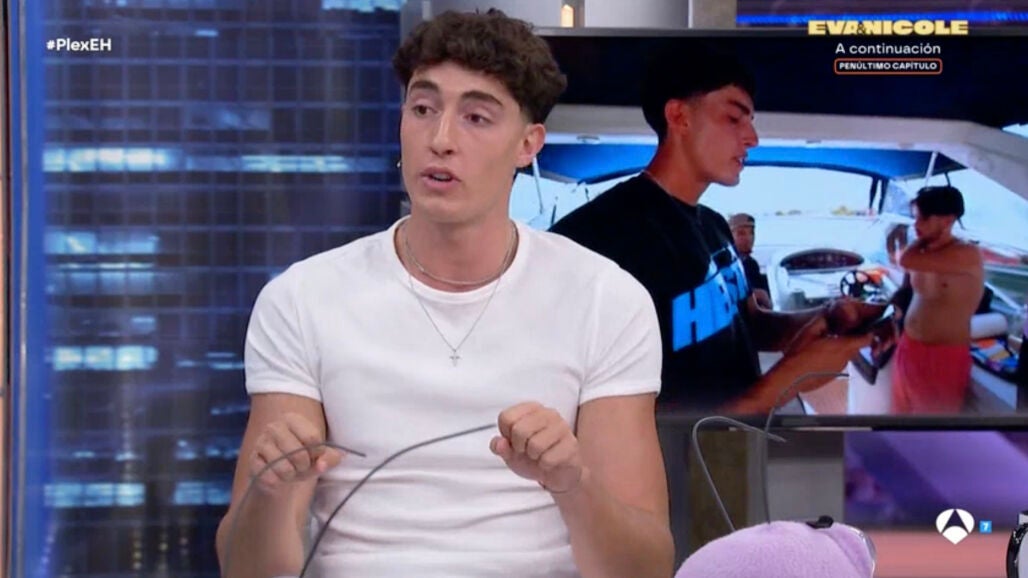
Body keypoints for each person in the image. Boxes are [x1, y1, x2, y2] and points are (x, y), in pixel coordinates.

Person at [215, 9, 674, 578]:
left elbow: (645, 568)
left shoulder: (607, 300)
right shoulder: (302, 299)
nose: (440, 140)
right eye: (423, 109)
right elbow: (247, 570)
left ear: (528, 144)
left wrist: (572, 483)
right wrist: (270, 493)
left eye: (476, 117)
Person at [550, 42, 882, 413]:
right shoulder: (593, 240)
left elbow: (747, 323)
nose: (753, 138)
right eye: (734, 118)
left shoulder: (714, 226)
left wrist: (824, 317)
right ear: (679, 116)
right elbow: (625, 421)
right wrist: (791, 378)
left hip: (739, 442)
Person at [891, 185, 985, 413]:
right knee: (900, 420)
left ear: (948, 220)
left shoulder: (966, 254)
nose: (916, 225)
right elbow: (912, 290)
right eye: (915, 218)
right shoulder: (925, 252)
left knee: (932, 429)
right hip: (908, 347)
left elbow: (905, 260)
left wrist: (917, 241)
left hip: (943, 357)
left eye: (923, 218)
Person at [727, 212, 771, 308]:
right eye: (741, 233)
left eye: (751, 233)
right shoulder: (726, 265)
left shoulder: (751, 263)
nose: (748, 238)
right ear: (729, 237)